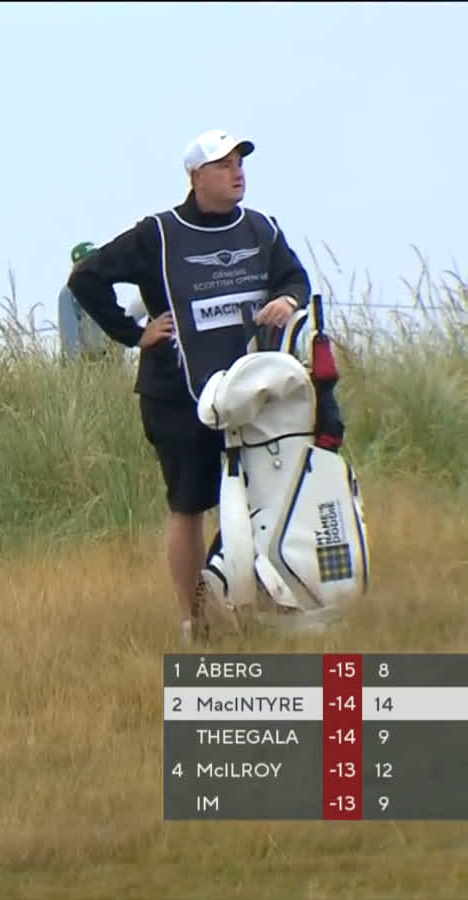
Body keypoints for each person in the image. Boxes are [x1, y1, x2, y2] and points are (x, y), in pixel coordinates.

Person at [66, 129, 311, 646]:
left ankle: (254, 598)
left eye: (240, 162)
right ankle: (194, 620)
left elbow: (295, 278)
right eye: (223, 165)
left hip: (251, 390)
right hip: (177, 394)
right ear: (196, 178)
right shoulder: (159, 233)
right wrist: (134, 334)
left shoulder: (260, 229)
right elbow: (86, 278)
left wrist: (287, 300)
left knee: (262, 495)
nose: (237, 172)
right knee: (190, 503)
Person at [57, 241, 116, 361]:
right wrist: (75, 368)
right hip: (86, 362)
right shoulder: (69, 294)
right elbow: (69, 335)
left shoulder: (105, 289)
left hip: (106, 361)